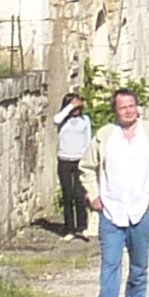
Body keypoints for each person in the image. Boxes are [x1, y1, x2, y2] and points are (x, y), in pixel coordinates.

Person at [81, 84, 149, 297]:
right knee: (110, 262)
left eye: (132, 106)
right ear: (116, 111)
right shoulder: (105, 136)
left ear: (137, 108)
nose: (129, 111)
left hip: (141, 209)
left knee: (139, 262)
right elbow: (86, 167)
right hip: (111, 211)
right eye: (123, 107)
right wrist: (94, 195)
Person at [53, 90, 93, 237]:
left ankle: (82, 227)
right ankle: (69, 228)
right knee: (67, 195)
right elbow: (56, 119)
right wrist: (69, 107)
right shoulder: (62, 120)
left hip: (79, 160)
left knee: (79, 194)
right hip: (64, 160)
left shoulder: (85, 121)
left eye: (77, 107)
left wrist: (88, 160)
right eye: (73, 107)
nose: (76, 110)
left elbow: (88, 141)